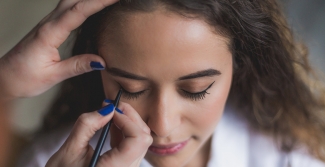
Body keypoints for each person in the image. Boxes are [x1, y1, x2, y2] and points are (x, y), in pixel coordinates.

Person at [0, 0, 323, 166]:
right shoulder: (50, 160)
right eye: (132, 88)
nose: (162, 125)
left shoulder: (291, 156)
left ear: (240, 67)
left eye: (196, 90)